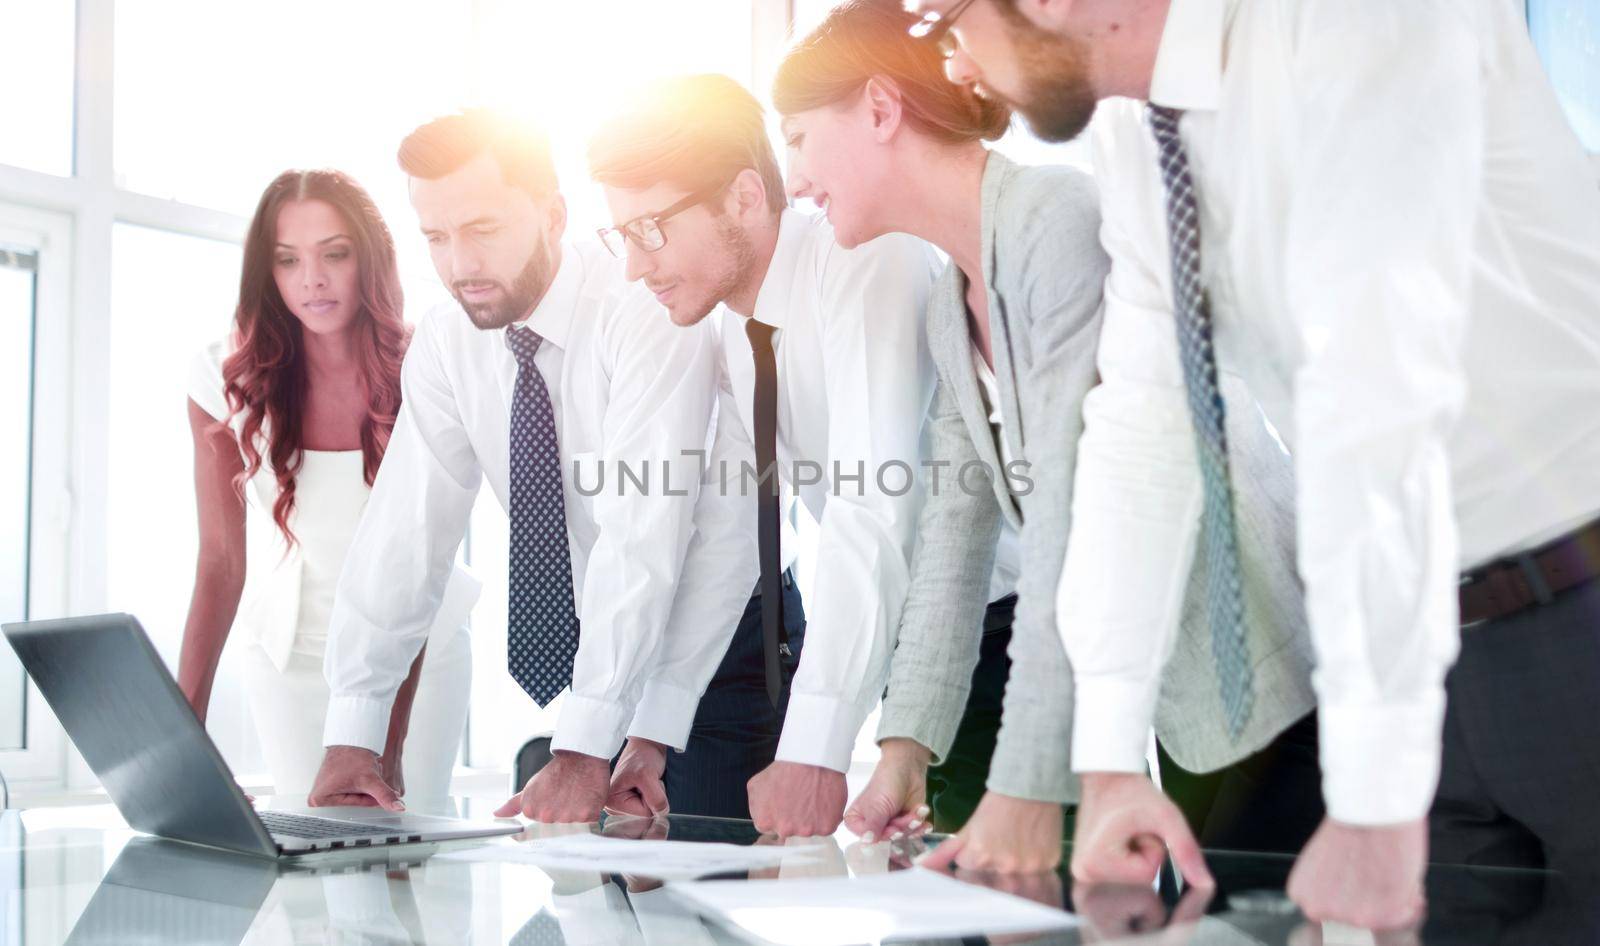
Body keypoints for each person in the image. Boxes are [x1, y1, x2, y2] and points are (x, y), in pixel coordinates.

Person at [918, 0, 1600, 929]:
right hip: (1422, 649)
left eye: (941, 17)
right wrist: (1112, 761)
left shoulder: (1357, 24)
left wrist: (1370, 795)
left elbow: (1374, 396)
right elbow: (1141, 434)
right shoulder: (1139, 132)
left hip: (1575, 619)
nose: (952, 67)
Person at [774, 0, 1321, 873]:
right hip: (1178, 700)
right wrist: (902, 752)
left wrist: (1024, 788)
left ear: (880, 110)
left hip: (1264, 669)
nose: (794, 178)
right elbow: (953, 551)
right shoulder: (950, 305)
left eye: (799, 138)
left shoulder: (1056, 222)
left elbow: (1077, 519)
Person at [306, 110, 758, 821]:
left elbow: (645, 533)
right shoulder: (448, 343)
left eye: (482, 230)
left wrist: (588, 750)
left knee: (704, 925)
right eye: (437, 238)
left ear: (552, 215)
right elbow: (405, 532)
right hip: (598, 659)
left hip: (720, 653)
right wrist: (354, 733)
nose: (459, 264)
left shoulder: (646, 306)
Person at [588, 73, 942, 837]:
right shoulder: (742, 335)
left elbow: (871, 508)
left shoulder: (864, 261)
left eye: (650, 229)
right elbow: (731, 536)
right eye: (621, 236)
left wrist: (815, 750)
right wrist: (654, 733)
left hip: (990, 640)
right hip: (916, 664)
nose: (634, 267)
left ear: (746, 197)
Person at [180, 169, 477, 800]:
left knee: (410, 850)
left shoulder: (429, 367)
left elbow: (418, 565)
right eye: (288, 260)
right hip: (290, 657)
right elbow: (220, 561)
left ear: (368, 259)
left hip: (418, 658)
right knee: (308, 867)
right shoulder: (221, 377)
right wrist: (184, 728)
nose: (311, 279)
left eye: (334, 254)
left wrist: (383, 745)